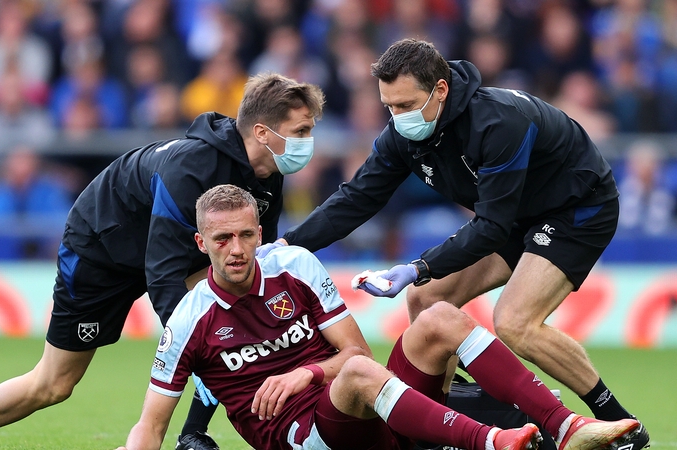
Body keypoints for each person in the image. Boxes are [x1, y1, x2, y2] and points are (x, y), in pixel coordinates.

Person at [266, 38, 650, 449]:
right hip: (514, 214)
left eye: (406, 105)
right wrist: (288, 244)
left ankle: (620, 421)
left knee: (515, 322)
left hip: (576, 209)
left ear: (441, 90)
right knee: (426, 298)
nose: (397, 118)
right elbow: (358, 197)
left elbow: (491, 227)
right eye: (389, 107)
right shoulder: (403, 133)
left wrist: (417, 267)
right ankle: (439, 432)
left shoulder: (499, 122)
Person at [0, 72, 326, 450]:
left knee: (235, 313)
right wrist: (206, 349)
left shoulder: (268, 176)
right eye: (301, 132)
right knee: (54, 383)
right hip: (100, 250)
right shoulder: (192, 166)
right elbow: (161, 272)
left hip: (166, 252)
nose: (309, 142)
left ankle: (192, 435)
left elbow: (256, 266)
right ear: (262, 132)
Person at [117, 183, 639, 450]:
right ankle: (491, 441)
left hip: (363, 409)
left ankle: (564, 425)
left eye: (246, 235)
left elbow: (356, 352)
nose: (236, 249)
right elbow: (151, 424)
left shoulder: (294, 265)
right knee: (360, 374)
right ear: (200, 243)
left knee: (438, 317)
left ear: (260, 232)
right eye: (222, 238)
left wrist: (304, 372)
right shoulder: (189, 319)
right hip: (305, 438)